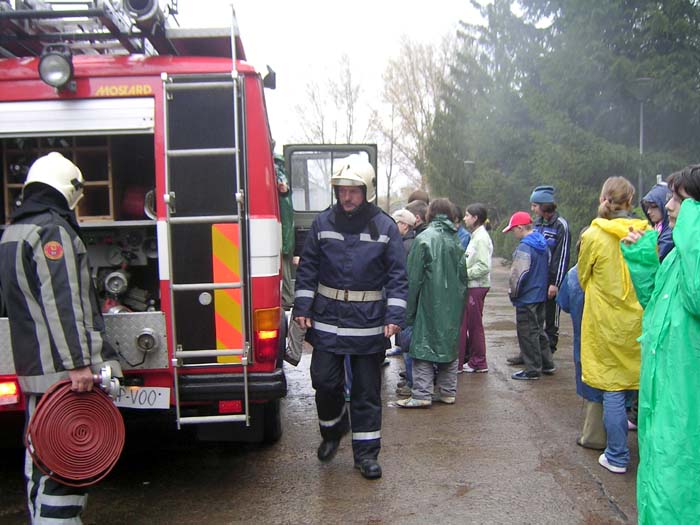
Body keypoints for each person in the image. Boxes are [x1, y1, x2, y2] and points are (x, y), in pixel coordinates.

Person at [0, 152, 123, 523]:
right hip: (63, 375)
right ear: (68, 189)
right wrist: (79, 365)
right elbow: (63, 302)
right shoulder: (52, 232)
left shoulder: (14, 231)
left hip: (37, 371)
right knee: (66, 466)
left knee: (41, 456)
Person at [292, 154, 407, 480]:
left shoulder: (385, 227)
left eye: (353, 190)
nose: (346, 196)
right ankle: (333, 429)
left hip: (368, 322)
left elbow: (398, 275)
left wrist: (395, 314)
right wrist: (302, 307)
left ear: (366, 190)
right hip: (327, 319)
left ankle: (366, 455)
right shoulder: (322, 224)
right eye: (341, 190)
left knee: (366, 392)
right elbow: (308, 268)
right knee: (324, 381)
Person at [621, 165, 700, 522]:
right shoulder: (681, 257)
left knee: (679, 488)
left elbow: (696, 297)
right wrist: (641, 258)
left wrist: (691, 228)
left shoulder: (692, 253)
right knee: (660, 481)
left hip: (687, 406)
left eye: (679, 200)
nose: (668, 206)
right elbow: (656, 301)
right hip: (665, 399)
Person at [577, 176, 649, 475]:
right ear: (630, 201)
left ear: (602, 198)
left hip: (605, 323)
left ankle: (617, 456)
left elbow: (582, 276)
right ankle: (650, 456)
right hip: (639, 321)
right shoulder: (645, 233)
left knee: (613, 389)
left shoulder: (594, 236)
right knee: (643, 388)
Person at [396, 198, 467, 408]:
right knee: (448, 346)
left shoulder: (423, 239)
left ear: (430, 213)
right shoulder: (456, 240)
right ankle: (448, 391)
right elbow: (463, 277)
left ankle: (422, 394)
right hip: (452, 303)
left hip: (427, 301)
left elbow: (413, 279)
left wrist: (407, 314)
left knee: (422, 347)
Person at [508, 185, 570, 364]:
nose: (532, 209)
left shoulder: (561, 225)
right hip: (537, 281)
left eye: (535, 205)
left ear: (545, 205)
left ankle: (547, 356)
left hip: (551, 282)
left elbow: (562, 256)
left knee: (550, 320)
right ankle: (528, 353)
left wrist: (555, 283)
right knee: (533, 322)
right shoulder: (537, 224)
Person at [557, 239, 606, 450]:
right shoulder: (613, 269)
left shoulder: (574, 274)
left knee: (593, 388)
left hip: (585, 338)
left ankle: (593, 436)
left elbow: (564, 303)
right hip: (613, 338)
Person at [502, 211, 554, 380]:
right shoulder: (542, 243)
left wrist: (513, 293)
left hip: (526, 297)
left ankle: (532, 369)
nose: (513, 233)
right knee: (538, 330)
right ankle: (547, 363)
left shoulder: (525, 247)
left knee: (526, 333)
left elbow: (518, 274)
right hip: (540, 295)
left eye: (513, 230)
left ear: (520, 228)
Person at [460, 203, 493, 373]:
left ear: (475, 218)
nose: (464, 218)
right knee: (472, 324)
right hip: (472, 286)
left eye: (467, 215)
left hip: (476, 286)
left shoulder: (481, 239)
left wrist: (463, 274)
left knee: (475, 325)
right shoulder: (476, 236)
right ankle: (475, 360)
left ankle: (479, 361)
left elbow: (483, 266)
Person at [274, 154, 295, 309]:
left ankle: (286, 299)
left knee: (284, 267)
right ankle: (286, 298)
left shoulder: (277, 170)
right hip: (281, 231)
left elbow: (284, 191)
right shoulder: (279, 170)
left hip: (280, 232)